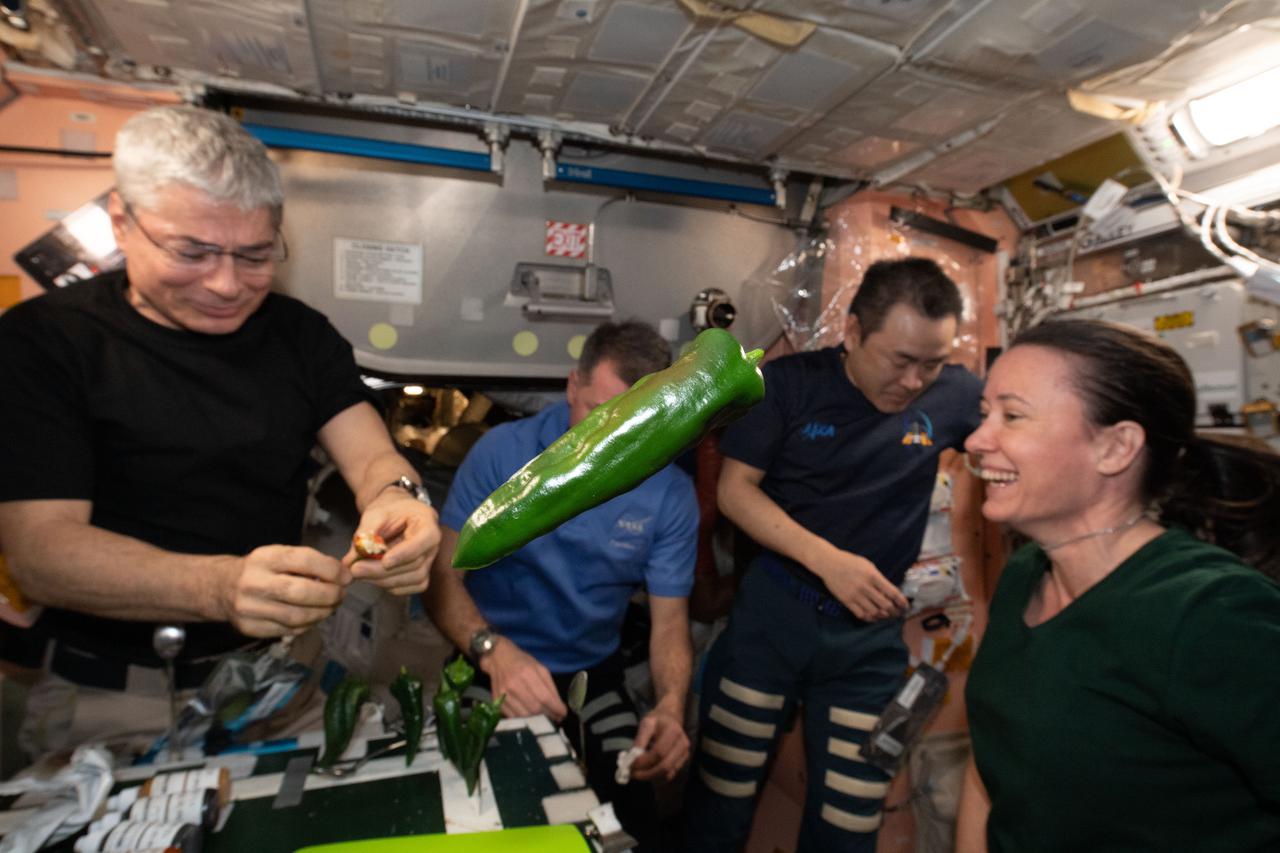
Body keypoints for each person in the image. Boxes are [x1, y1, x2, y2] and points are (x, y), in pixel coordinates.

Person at [0, 105, 441, 760]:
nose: (227, 283)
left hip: (279, 680)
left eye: (255, 255)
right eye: (192, 251)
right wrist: (220, 587)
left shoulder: (301, 336)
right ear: (122, 221)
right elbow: (41, 553)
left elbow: (373, 455)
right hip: (115, 696)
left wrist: (402, 498)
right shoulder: (43, 342)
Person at [684, 257, 983, 852]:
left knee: (850, 820)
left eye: (933, 363)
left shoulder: (956, 397)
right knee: (723, 794)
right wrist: (829, 561)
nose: (915, 380)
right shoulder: (790, 386)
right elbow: (734, 490)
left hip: (867, 638)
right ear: (852, 334)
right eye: (900, 361)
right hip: (774, 616)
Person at [956, 318, 1280, 852]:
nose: (975, 439)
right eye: (984, 413)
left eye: (1012, 416)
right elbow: (991, 765)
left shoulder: (1212, 612)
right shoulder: (1023, 576)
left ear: (1116, 448)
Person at [425, 320, 697, 850]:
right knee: (476, 813)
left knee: (634, 818)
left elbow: (670, 624)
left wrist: (669, 706)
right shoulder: (502, 455)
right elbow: (440, 578)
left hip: (591, 671)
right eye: (599, 416)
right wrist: (491, 650)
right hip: (486, 653)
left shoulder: (670, 493)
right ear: (572, 385)